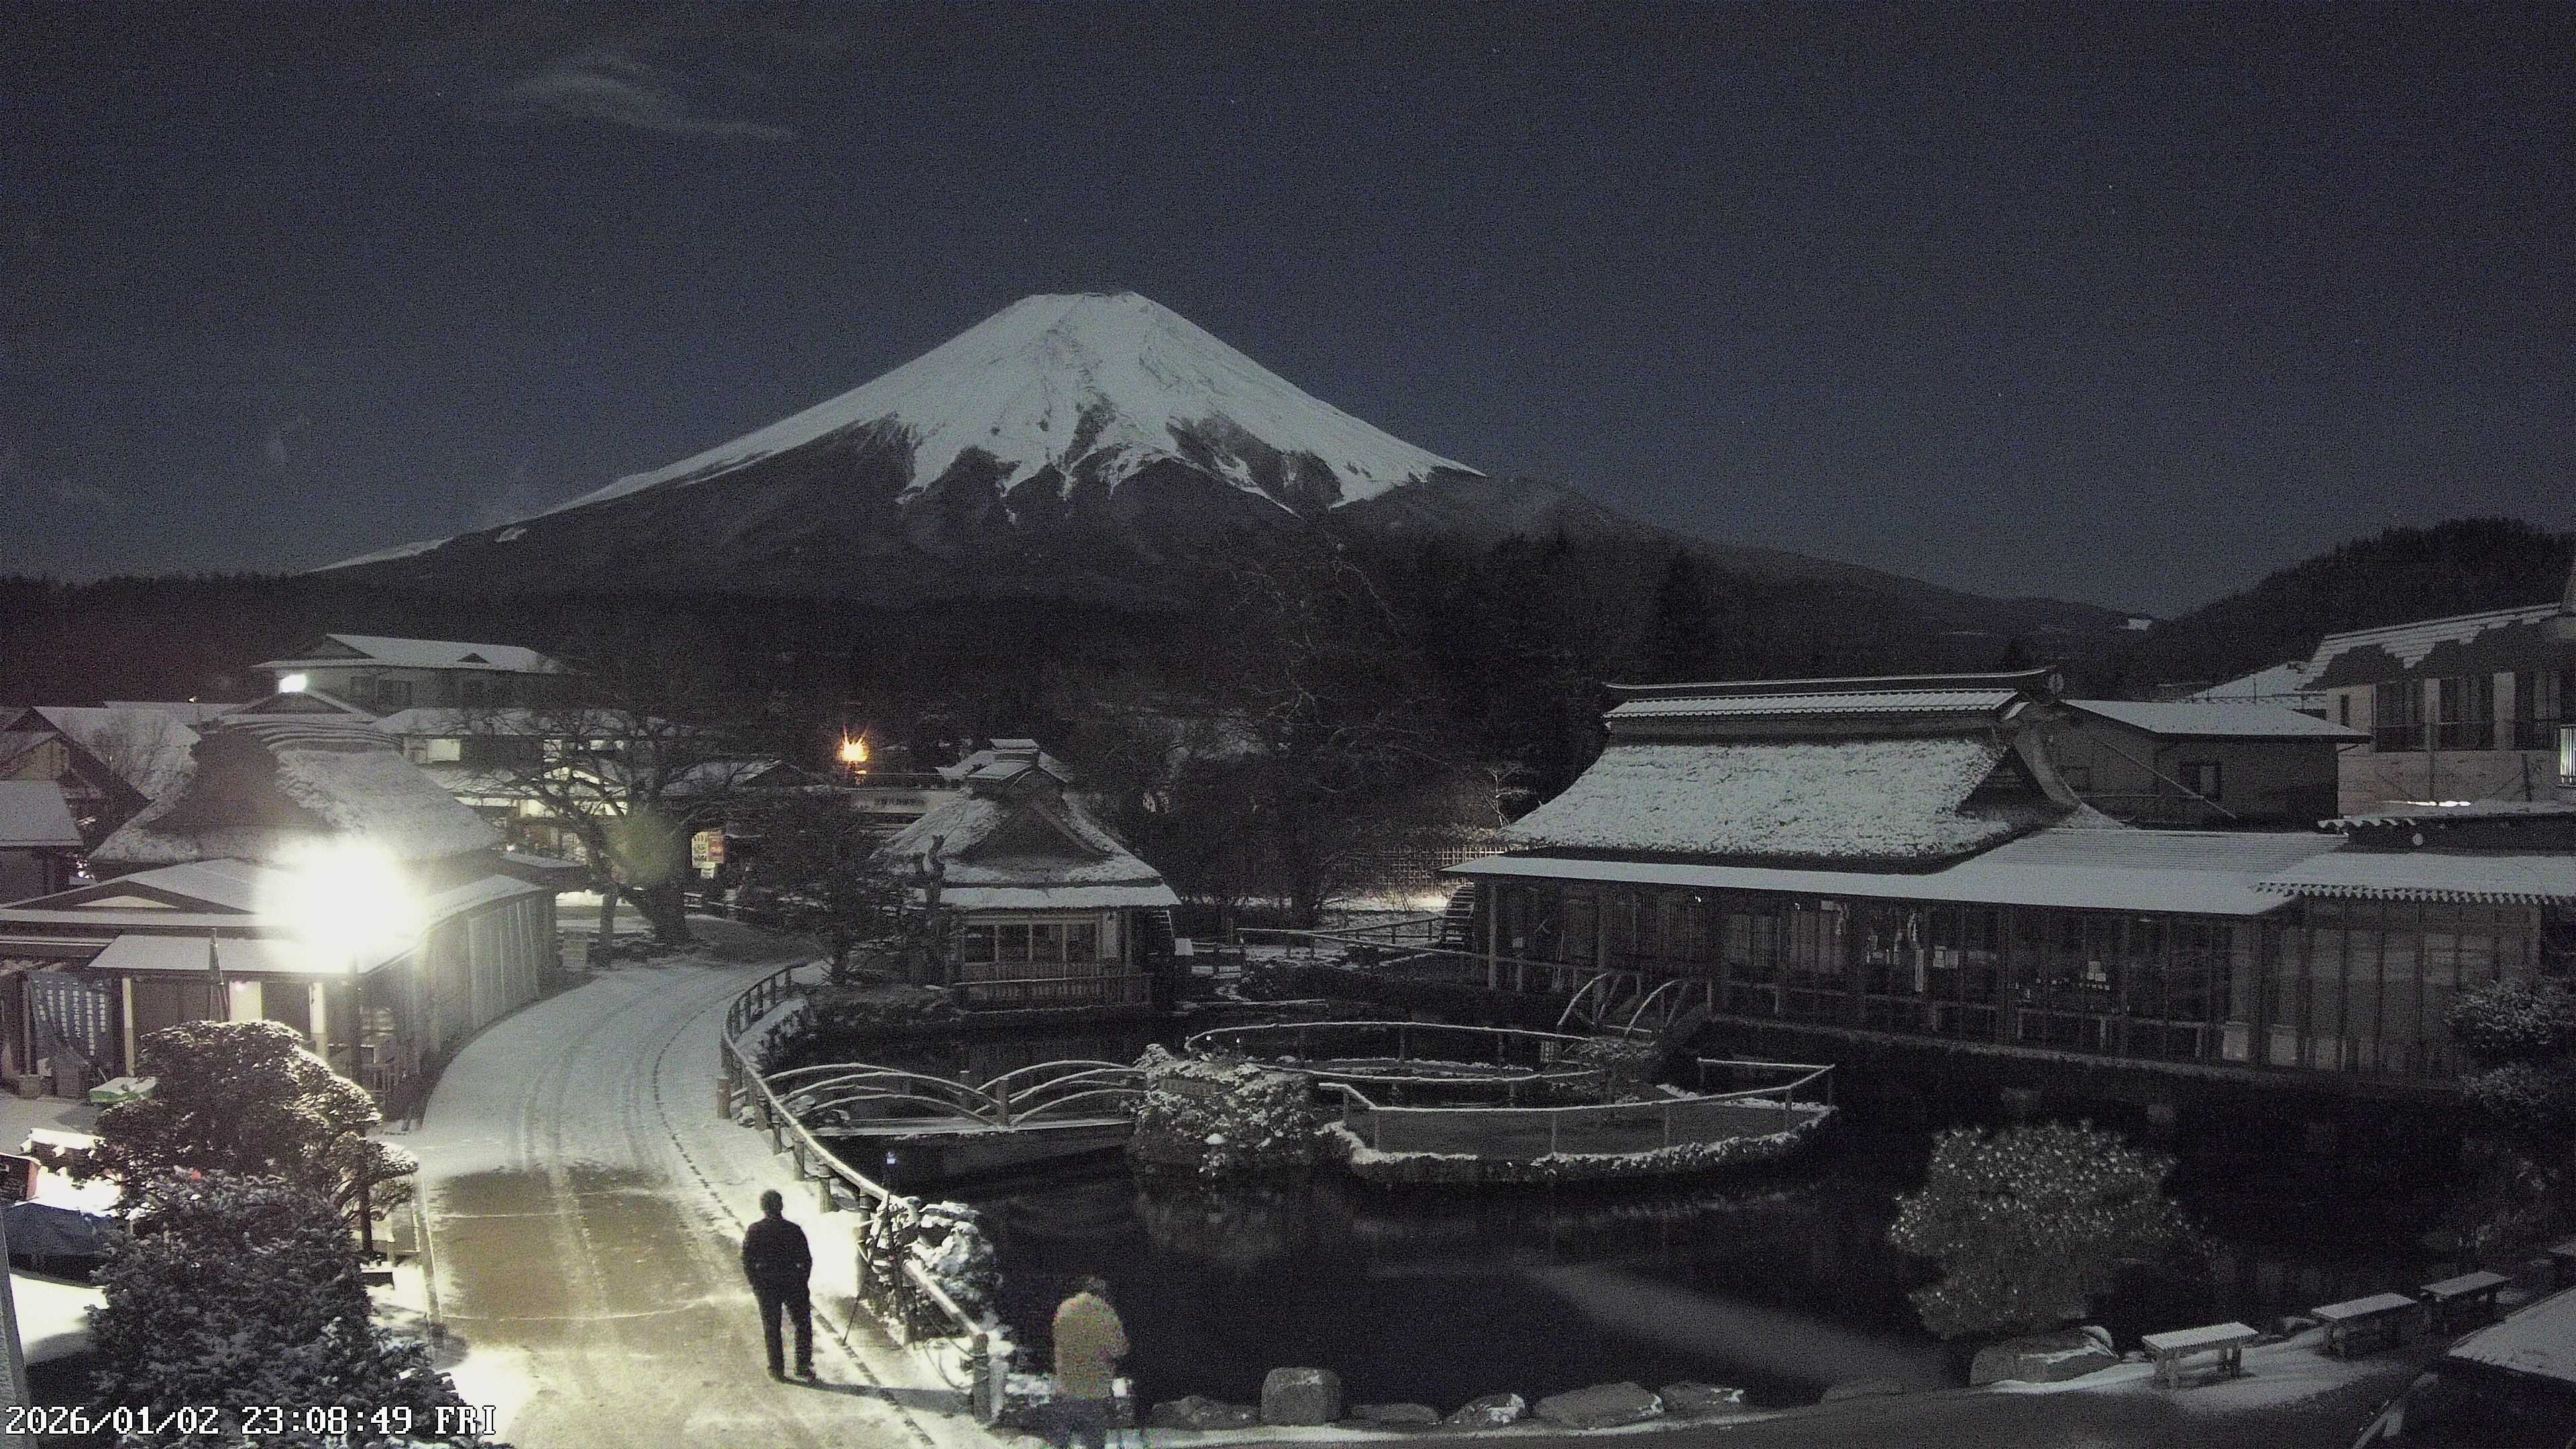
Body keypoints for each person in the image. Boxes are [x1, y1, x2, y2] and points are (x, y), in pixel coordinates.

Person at [741, 1189, 814, 1381]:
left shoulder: (755, 1230)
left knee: (772, 1328)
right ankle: (803, 1365)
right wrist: (802, 1280)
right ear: (781, 1206)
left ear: (762, 1207)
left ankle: (777, 1369)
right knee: (803, 1325)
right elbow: (806, 1260)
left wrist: (756, 1283)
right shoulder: (794, 1230)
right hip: (793, 1283)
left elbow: (747, 1260)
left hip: (767, 1286)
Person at [1049, 1275, 1129, 1449]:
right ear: (1103, 1294)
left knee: (1060, 1442)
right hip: (1094, 1391)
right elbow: (1119, 1349)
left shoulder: (1066, 1308)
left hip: (1065, 1387)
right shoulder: (1106, 1314)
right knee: (1094, 1441)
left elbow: (1056, 1336)